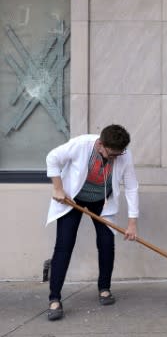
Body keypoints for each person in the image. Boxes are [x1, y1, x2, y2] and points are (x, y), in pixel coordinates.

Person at [45, 124, 140, 321]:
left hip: (102, 201)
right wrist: (57, 188)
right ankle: (54, 299)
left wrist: (132, 223)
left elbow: (131, 187)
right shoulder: (81, 145)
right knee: (64, 245)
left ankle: (104, 288)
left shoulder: (124, 155)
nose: (115, 158)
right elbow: (52, 158)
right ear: (100, 145)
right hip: (73, 199)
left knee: (106, 243)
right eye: (111, 154)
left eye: (118, 155)